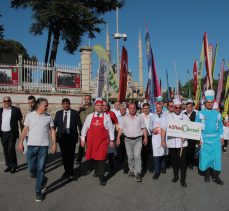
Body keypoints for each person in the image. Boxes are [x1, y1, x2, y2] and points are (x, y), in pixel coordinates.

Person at [18, 98, 57, 202]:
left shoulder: (48, 117)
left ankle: (38, 192)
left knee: (40, 169)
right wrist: (20, 142)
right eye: (45, 105)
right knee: (31, 170)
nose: (47, 107)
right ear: (39, 105)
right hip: (31, 146)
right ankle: (43, 179)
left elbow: (52, 131)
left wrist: (54, 144)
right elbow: (25, 129)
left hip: (43, 147)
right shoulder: (29, 116)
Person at [81, 98, 114, 186]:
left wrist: (112, 140)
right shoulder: (90, 116)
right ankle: (96, 170)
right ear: (95, 107)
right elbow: (84, 128)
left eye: (101, 105)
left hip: (103, 142)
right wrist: (83, 139)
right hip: (92, 142)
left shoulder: (106, 117)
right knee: (94, 158)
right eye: (98, 105)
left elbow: (111, 129)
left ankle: (102, 178)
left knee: (101, 158)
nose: (100, 107)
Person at [195, 90, 224, 185]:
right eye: (208, 102)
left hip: (216, 140)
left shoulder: (218, 114)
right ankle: (207, 174)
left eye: (212, 102)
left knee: (216, 158)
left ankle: (216, 176)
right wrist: (199, 139)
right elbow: (197, 127)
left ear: (213, 103)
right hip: (204, 140)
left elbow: (220, 127)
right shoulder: (199, 113)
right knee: (205, 157)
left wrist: (222, 137)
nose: (210, 104)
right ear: (205, 103)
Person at [161, 98, 189, 187]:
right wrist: (162, 140)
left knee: (183, 162)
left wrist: (186, 135)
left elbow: (190, 130)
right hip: (172, 143)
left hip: (183, 144)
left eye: (179, 108)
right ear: (173, 107)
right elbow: (163, 129)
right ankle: (176, 175)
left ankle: (183, 179)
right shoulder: (168, 117)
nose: (177, 109)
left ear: (181, 107)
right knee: (174, 162)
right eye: (176, 107)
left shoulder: (185, 117)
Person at [116, 103, 148, 182]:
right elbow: (120, 129)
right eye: (130, 108)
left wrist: (146, 138)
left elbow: (144, 128)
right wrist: (118, 138)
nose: (132, 109)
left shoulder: (140, 117)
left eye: (134, 108)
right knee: (130, 156)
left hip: (138, 139)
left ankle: (137, 173)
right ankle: (131, 170)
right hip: (127, 140)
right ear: (128, 109)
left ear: (136, 109)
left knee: (137, 156)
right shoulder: (124, 118)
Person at [54, 98, 82, 179]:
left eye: (67, 104)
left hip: (71, 137)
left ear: (69, 104)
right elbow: (54, 125)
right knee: (64, 156)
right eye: (64, 104)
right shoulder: (58, 113)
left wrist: (82, 136)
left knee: (71, 155)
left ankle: (70, 171)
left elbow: (79, 125)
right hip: (62, 137)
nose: (65, 105)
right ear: (62, 105)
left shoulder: (75, 113)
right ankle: (66, 171)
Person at [0, 96, 23, 173]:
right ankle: (9, 165)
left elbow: (20, 120)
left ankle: (13, 165)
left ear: (10, 101)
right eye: (5, 101)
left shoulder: (16, 110)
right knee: (5, 150)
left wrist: (23, 132)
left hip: (12, 133)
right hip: (3, 133)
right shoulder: (0, 110)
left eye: (8, 101)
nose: (6, 102)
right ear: (3, 102)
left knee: (11, 149)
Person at [149, 103, 167, 179]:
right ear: (155, 109)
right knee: (156, 154)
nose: (158, 109)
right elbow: (149, 127)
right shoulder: (152, 117)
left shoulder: (166, 117)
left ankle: (163, 167)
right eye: (157, 108)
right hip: (155, 138)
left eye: (160, 108)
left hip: (164, 137)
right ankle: (157, 172)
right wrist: (152, 130)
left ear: (162, 108)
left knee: (163, 153)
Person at [76, 95, 94, 165]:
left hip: (91, 128)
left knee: (91, 144)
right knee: (82, 144)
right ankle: (79, 159)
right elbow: (77, 117)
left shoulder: (93, 107)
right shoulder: (81, 107)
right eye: (85, 99)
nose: (87, 100)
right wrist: (78, 110)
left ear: (90, 100)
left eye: (88, 99)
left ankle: (92, 158)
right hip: (82, 128)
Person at [103, 101, 119, 171]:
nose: (104, 107)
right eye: (103, 105)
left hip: (110, 136)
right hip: (101, 136)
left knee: (110, 153)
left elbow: (116, 123)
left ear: (108, 106)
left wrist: (117, 135)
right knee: (102, 153)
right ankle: (100, 168)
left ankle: (111, 165)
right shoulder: (98, 114)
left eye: (106, 105)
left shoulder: (112, 113)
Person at [184, 99, 197, 169]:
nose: (188, 108)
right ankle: (186, 162)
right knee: (186, 149)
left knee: (192, 149)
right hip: (185, 135)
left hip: (193, 136)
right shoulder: (184, 114)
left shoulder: (196, 114)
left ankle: (191, 163)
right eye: (187, 107)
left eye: (189, 107)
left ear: (192, 107)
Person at [140, 103, 153, 172]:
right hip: (142, 136)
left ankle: (150, 166)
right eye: (144, 108)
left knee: (150, 152)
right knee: (143, 152)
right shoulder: (139, 116)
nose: (146, 110)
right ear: (142, 109)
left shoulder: (152, 116)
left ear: (149, 109)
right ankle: (144, 166)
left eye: (147, 108)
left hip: (151, 136)